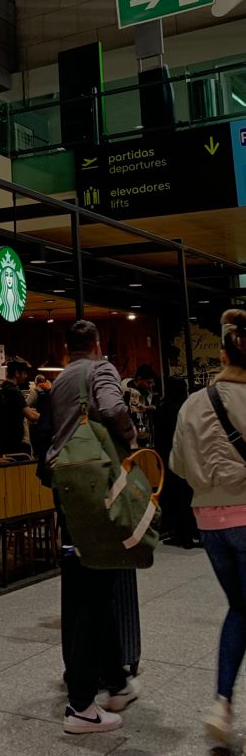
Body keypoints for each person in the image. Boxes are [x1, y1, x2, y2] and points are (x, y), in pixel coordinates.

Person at [48, 320, 137, 735]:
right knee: (97, 591)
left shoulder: (62, 378)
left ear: (67, 349)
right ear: (97, 345)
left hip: (67, 487)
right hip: (98, 486)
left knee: (91, 582)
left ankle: (116, 682)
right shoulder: (102, 369)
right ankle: (82, 704)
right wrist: (131, 435)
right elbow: (115, 409)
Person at [170, 308, 246, 749]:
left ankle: (221, 702)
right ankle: (222, 703)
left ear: (221, 354)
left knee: (239, 607)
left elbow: (179, 465)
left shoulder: (193, 403)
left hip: (210, 522)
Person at [155, 376, 198, 549]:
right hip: (189, 456)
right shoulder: (187, 408)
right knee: (189, 495)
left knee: (174, 497)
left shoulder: (163, 409)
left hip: (168, 456)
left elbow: (159, 436)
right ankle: (194, 531)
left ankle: (180, 533)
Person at [0, 360, 39, 456]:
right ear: (17, 373)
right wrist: (44, 416)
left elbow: (13, 410)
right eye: (24, 373)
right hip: (15, 443)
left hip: (1, 442)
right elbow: (32, 416)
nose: (26, 376)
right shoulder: (14, 392)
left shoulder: (1, 390)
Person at [121, 364, 156, 447]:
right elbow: (137, 417)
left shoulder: (144, 390)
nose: (150, 385)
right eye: (148, 382)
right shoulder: (131, 392)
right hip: (137, 436)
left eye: (151, 383)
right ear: (139, 379)